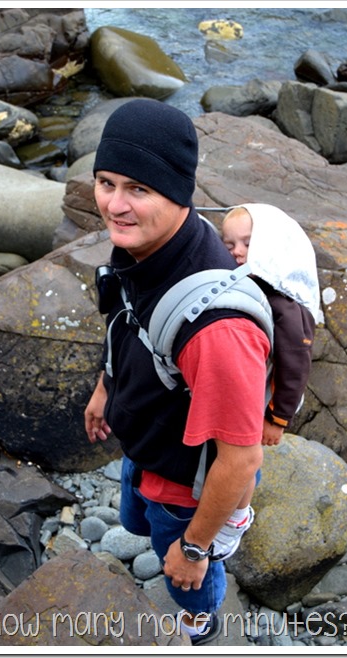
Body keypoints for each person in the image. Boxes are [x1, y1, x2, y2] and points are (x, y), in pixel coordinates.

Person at [84, 99, 270, 645]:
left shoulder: (218, 329)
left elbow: (242, 460)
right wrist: (104, 391)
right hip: (145, 445)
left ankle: (202, 623)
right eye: (105, 182)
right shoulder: (147, 247)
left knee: (187, 577)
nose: (115, 205)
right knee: (137, 524)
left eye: (138, 189)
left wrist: (193, 548)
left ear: (178, 193)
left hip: (186, 492)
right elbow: (128, 324)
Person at [219, 203, 319, 546]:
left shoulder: (283, 300)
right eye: (229, 244)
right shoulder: (245, 282)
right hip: (241, 385)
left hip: (264, 395)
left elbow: (296, 363)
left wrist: (278, 417)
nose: (237, 252)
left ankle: (237, 514)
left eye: (247, 243)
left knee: (247, 453)